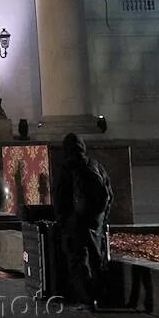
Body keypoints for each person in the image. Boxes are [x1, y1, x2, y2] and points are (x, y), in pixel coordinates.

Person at [53, 132, 113, 308]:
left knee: (78, 260)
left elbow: (59, 198)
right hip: (95, 221)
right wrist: (102, 218)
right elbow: (109, 193)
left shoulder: (65, 168)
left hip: (75, 223)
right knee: (97, 257)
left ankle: (87, 298)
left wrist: (63, 221)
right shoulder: (95, 165)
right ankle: (101, 295)